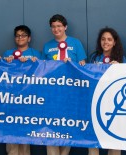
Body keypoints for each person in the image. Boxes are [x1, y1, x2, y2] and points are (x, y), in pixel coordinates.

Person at [42, 14, 87, 155]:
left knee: (67, 126)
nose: (56, 29)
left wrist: (73, 64)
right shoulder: (47, 46)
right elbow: (42, 70)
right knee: (51, 125)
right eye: (53, 27)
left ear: (65, 27)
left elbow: (83, 66)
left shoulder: (76, 43)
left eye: (59, 26)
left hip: (71, 94)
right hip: (52, 94)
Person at [0, 25, 41, 155]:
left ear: (29, 38)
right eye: (17, 35)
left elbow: (43, 75)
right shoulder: (8, 53)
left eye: (23, 35)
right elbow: (3, 74)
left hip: (28, 101)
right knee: (11, 140)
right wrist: (4, 61)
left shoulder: (36, 54)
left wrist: (36, 62)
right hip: (11, 102)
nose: (20, 38)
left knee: (25, 139)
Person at [89, 27, 125, 155]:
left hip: (114, 103)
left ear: (114, 42)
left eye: (109, 39)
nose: (106, 42)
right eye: (103, 39)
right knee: (93, 138)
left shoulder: (121, 58)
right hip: (96, 101)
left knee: (114, 137)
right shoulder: (94, 56)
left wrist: (120, 68)